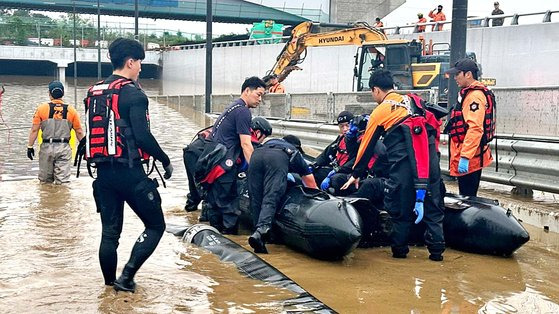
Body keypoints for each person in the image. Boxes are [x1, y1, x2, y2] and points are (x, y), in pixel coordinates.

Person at [84, 38, 173, 293]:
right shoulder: (133, 93)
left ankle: (109, 287)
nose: (141, 69)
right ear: (130, 62)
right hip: (131, 174)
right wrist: (165, 159)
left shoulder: (94, 91)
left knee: (110, 234)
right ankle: (127, 276)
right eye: (140, 63)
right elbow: (142, 136)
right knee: (156, 225)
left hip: (103, 176)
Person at [341, 70, 445, 261]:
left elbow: (367, 146)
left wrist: (356, 173)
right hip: (429, 162)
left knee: (400, 210)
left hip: (403, 165)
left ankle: (400, 253)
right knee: (434, 208)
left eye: (373, 93)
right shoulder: (414, 101)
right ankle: (437, 254)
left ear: (376, 90)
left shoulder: (381, 111)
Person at [195, 77, 267, 234]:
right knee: (229, 206)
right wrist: (256, 171)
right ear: (247, 91)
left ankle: (212, 242)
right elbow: (246, 144)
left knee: (215, 203)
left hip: (212, 163)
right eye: (259, 94)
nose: (260, 99)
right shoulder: (243, 112)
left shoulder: (232, 107)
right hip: (224, 165)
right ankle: (230, 239)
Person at [248, 135, 317, 253]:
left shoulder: (268, 143)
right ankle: (262, 230)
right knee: (271, 196)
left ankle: (258, 236)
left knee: (256, 198)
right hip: (276, 158)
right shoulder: (293, 151)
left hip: (256, 155)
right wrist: (318, 197)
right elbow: (310, 181)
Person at [445, 58, 495, 197]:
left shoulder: (474, 97)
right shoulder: (468, 93)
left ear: (468, 74)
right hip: (470, 154)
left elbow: (475, 128)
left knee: (468, 197)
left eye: (457, 74)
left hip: (471, 157)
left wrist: (465, 157)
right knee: (466, 195)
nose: (455, 78)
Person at [27, 80, 84, 184]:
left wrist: (30, 147)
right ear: (63, 93)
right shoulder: (72, 110)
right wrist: (84, 147)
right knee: (62, 183)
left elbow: (34, 130)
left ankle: (48, 199)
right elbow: (79, 131)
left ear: (49, 94)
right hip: (64, 148)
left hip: (46, 148)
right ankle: (61, 199)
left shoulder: (41, 109)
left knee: (45, 182)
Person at [310, 110, 355, 184]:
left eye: (347, 125)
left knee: (335, 179)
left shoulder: (359, 141)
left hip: (349, 173)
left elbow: (355, 161)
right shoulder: (340, 139)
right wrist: (313, 165)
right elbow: (325, 155)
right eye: (341, 126)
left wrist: (337, 170)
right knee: (316, 173)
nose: (345, 129)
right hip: (337, 170)